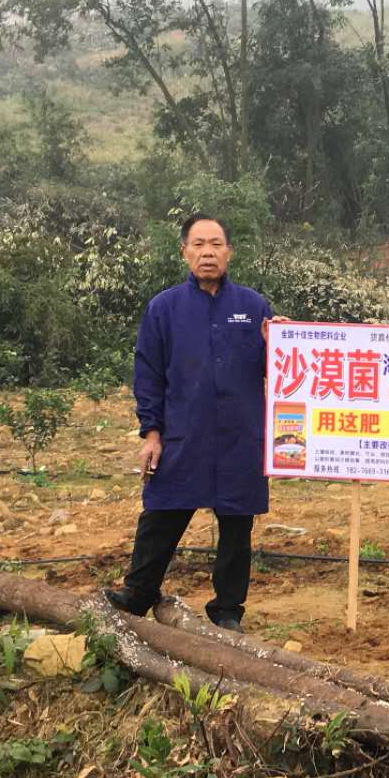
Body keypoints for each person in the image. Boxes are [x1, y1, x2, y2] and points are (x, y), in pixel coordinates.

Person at [105, 213, 275, 633]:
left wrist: (285, 343)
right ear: (184, 251)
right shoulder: (164, 309)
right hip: (184, 432)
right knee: (162, 513)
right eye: (198, 244)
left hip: (240, 435)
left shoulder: (254, 308)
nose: (208, 253)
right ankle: (139, 593)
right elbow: (148, 373)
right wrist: (151, 432)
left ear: (229, 252)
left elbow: (286, 370)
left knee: (237, 525)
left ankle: (228, 610)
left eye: (216, 244)